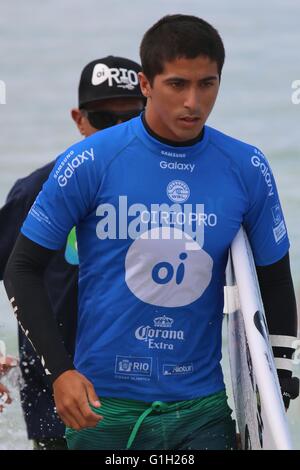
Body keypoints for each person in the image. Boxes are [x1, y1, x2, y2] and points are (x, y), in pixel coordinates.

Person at [3, 14, 299, 450]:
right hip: (100, 408)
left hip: (201, 409)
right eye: (177, 84)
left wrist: (277, 387)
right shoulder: (89, 161)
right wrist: (60, 371)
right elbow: (21, 268)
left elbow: (274, 279)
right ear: (146, 84)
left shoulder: (246, 167)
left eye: (207, 84)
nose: (193, 102)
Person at [0, 56, 145, 448]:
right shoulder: (36, 190)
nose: (117, 131)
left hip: (147, 398)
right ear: (79, 119)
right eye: (102, 118)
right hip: (57, 402)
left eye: (132, 117)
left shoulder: (171, 195)